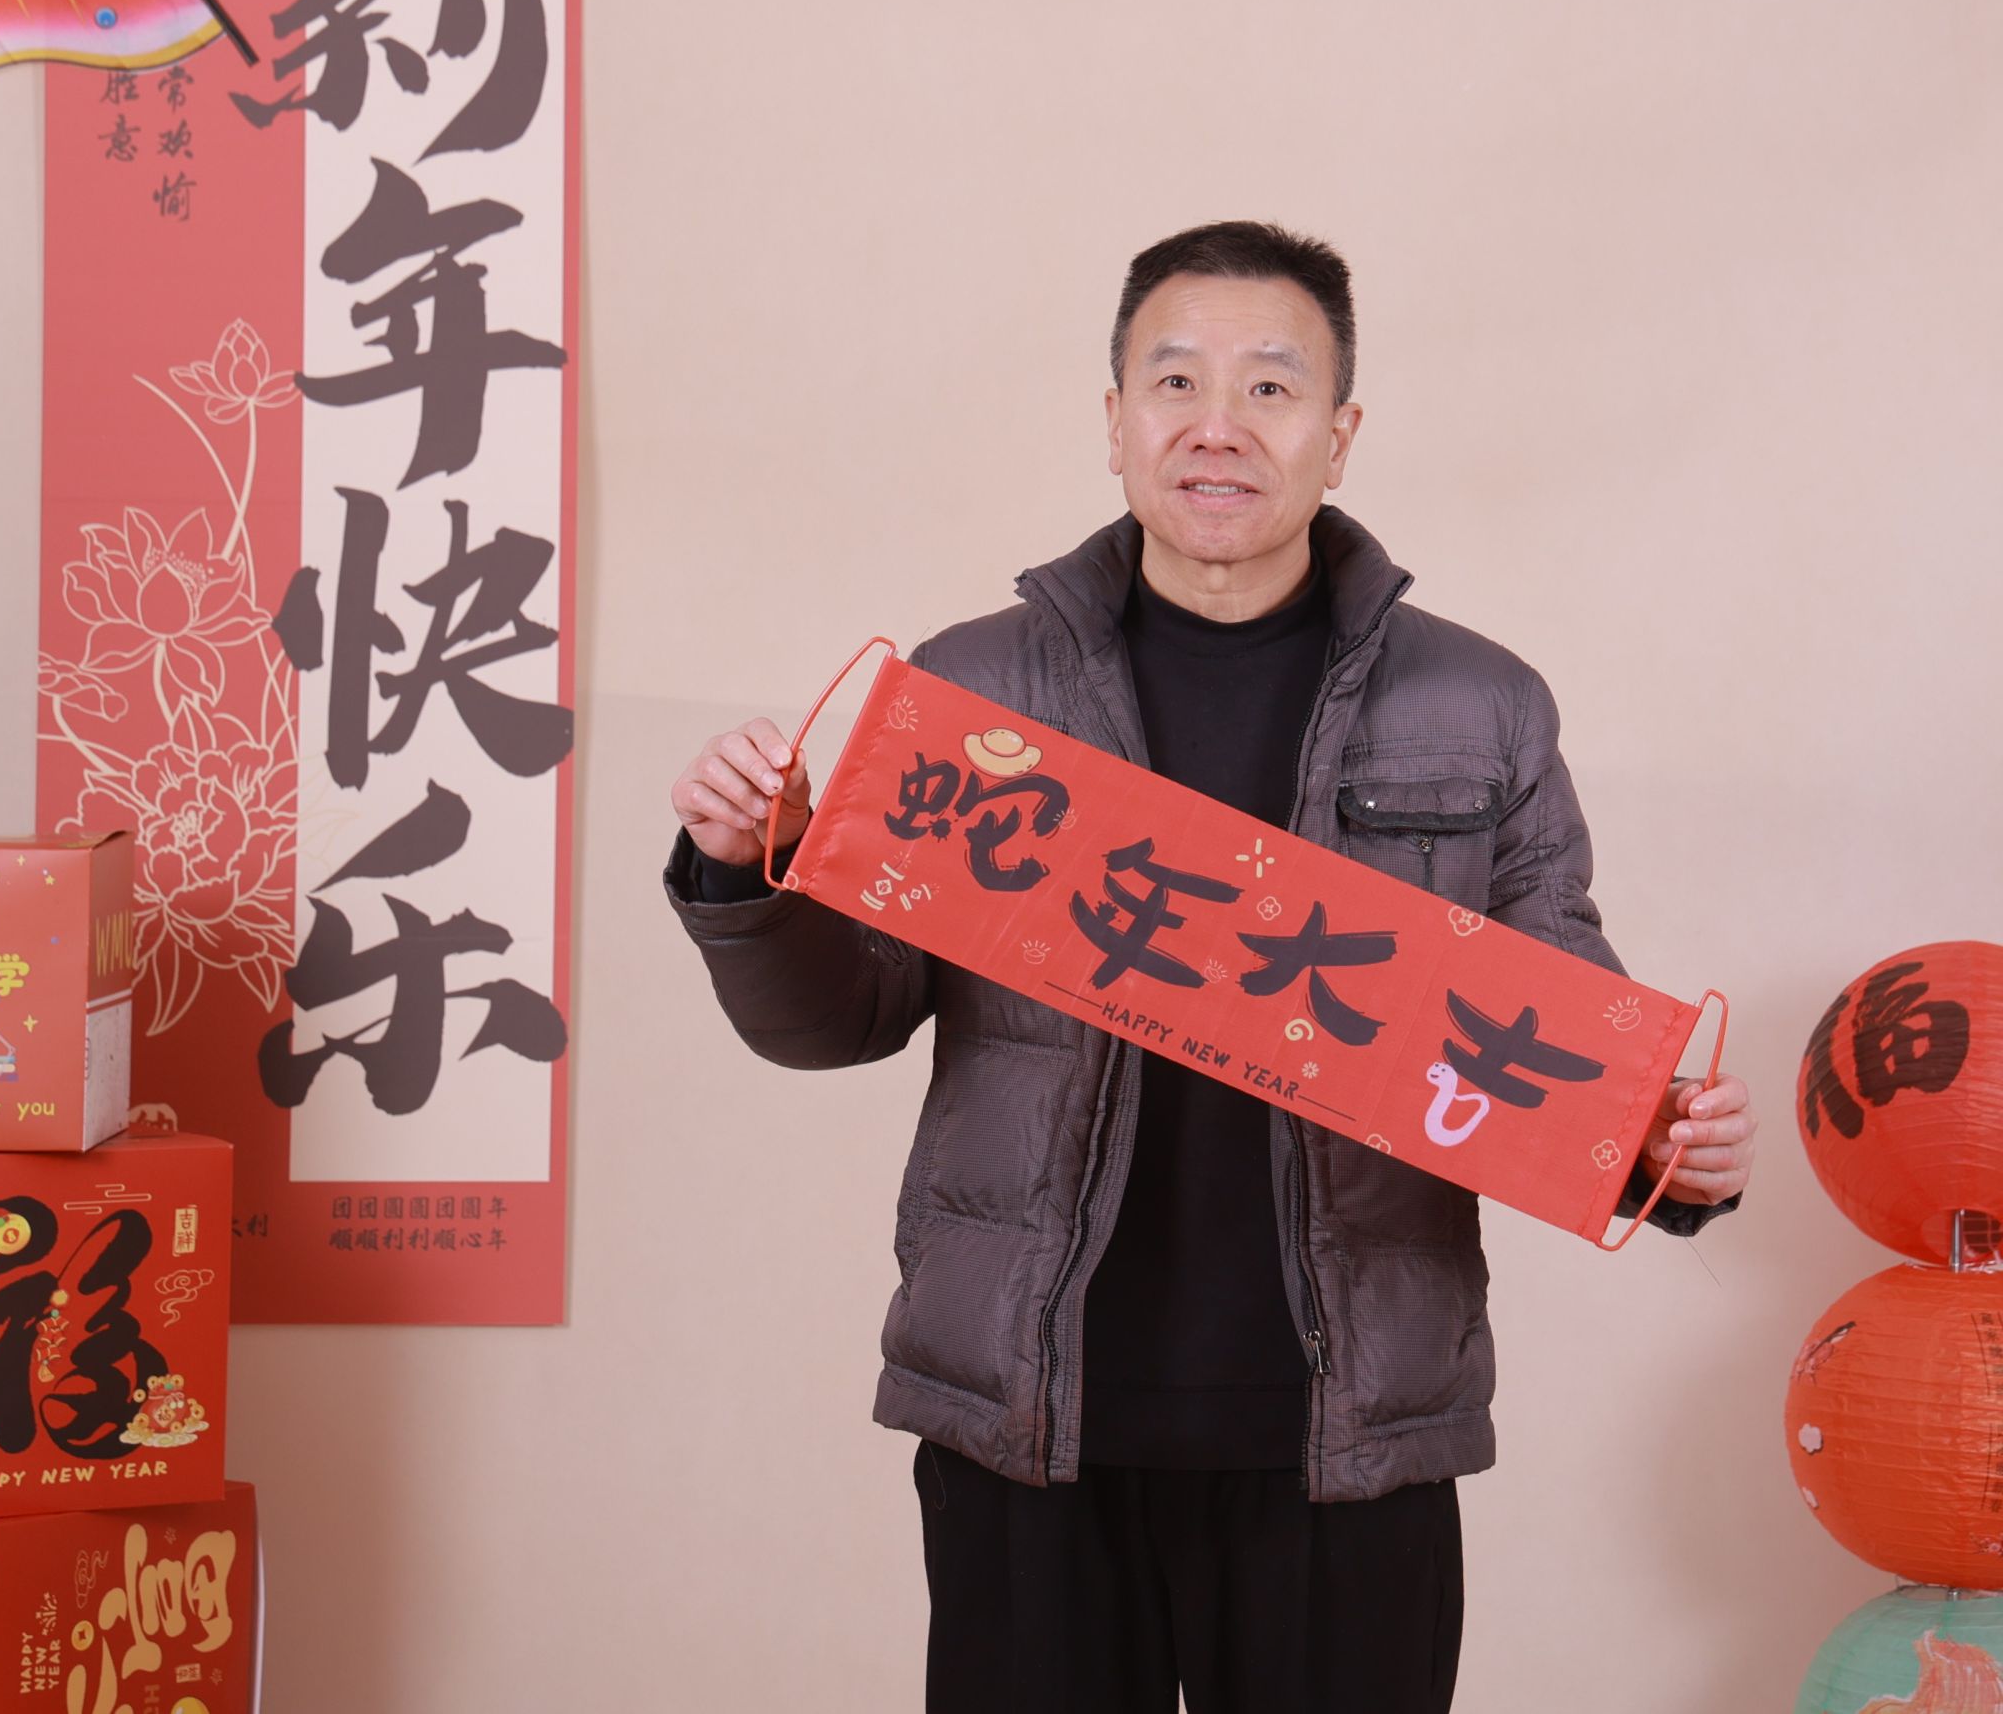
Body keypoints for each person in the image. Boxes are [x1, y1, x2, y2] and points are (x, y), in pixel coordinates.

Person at [664, 221, 1755, 1713]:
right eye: (1174, 381)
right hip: (1032, 1421)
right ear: (1114, 420)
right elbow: (837, 1015)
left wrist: (1668, 1156)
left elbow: (1550, 1037)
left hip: (1347, 1436)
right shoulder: (975, 691)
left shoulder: (1480, 705)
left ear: (1339, 435)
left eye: (1270, 387)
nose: (1217, 425)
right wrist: (747, 869)